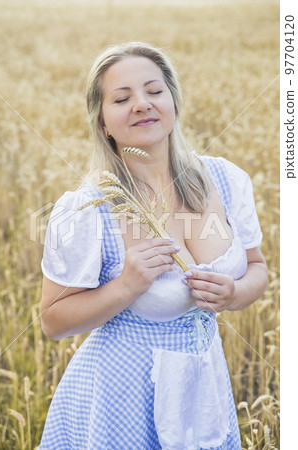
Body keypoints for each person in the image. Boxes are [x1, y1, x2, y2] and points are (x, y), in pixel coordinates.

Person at [38, 42, 268, 449]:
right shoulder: (86, 208)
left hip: (203, 389)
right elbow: (53, 322)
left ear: (174, 101)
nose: (142, 104)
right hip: (119, 399)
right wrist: (125, 286)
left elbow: (258, 269)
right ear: (103, 122)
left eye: (154, 91)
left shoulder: (227, 180)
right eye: (122, 98)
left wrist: (232, 293)